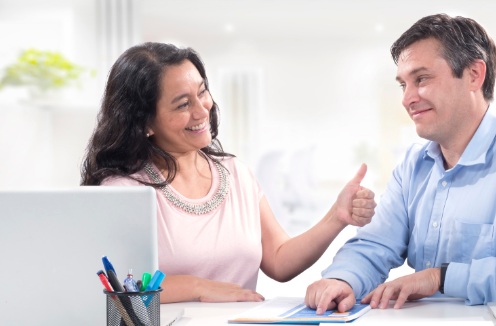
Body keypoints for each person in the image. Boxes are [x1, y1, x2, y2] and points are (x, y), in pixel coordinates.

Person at [304, 14, 496, 313]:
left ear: (474, 74)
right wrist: (344, 279)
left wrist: (441, 278)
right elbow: (376, 245)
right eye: (403, 85)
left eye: (421, 79)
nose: (407, 98)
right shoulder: (413, 165)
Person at [81, 42, 377, 304]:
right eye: (183, 104)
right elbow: (119, 289)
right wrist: (198, 287)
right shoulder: (124, 190)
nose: (202, 110)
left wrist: (336, 217)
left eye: (202, 93)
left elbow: (278, 260)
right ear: (145, 122)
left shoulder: (236, 173)